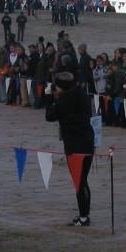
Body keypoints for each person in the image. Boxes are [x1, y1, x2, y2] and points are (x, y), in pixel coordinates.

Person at [45, 72, 95, 225]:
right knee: (83, 181)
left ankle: (84, 217)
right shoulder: (81, 94)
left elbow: (50, 116)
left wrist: (49, 96)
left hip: (75, 145)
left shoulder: (65, 100)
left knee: (79, 182)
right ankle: (84, 215)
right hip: (88, 141)